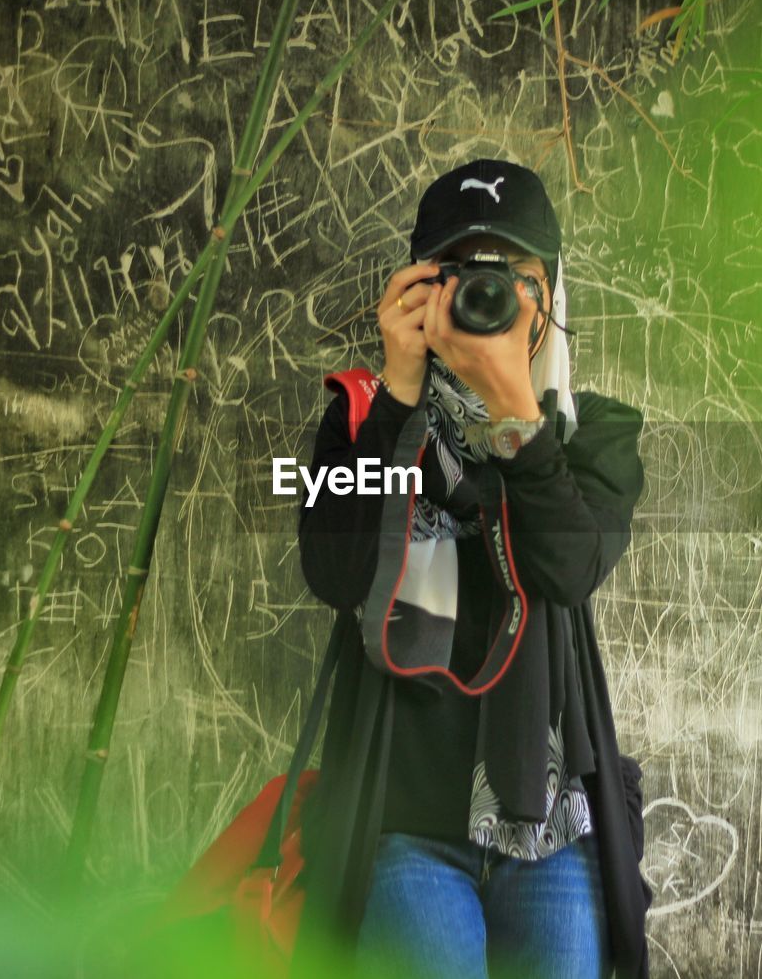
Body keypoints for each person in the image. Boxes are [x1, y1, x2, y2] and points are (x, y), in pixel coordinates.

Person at [292, 158, 651, 979]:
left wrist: (515, 413)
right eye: (460, 275)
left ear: (550, 295)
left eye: (511, 276)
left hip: (552, 829)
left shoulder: (593, 434)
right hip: (400, 820)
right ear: (418, 288)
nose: (483, 299)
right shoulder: (355, 418)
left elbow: (569, 566)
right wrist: (396, 396)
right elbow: (335, 573)